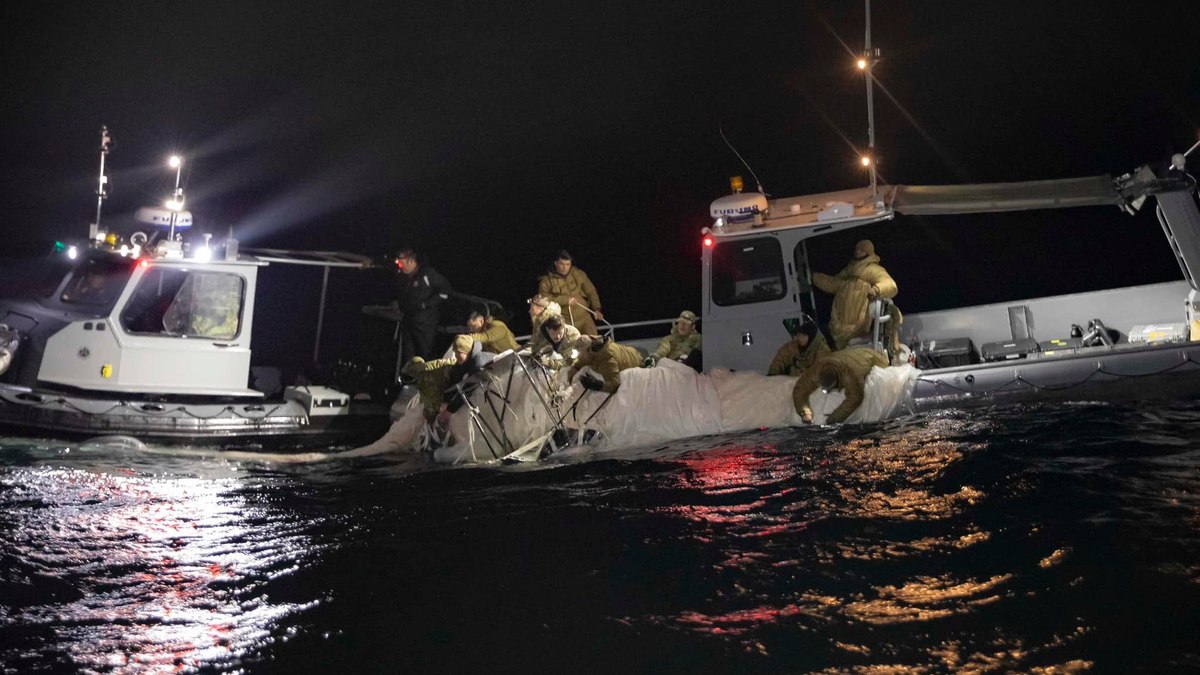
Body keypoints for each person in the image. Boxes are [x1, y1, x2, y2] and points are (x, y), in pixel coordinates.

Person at [812, 240, 897, 349]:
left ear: (868, 253)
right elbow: (833, 284)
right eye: (857, 249)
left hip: (857, 327)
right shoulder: (849, 270)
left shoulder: (873, 270)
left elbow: (891, 285)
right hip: (838, 325)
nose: (857, 251)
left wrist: (876, 289)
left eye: (861, 250)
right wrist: (814, 277)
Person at [791, 347, 889, 424]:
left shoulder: (850, 374)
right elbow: (800, 390)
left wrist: (832, 420)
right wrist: (805, 412)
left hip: (872, 357)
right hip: (846, 356)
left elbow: (855, 398)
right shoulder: (817, 369)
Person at [395, 247, 452, 361]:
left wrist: (426, 304)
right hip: (409, 320)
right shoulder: (405, 276)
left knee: (424, 354)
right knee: (408, 355)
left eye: (401, 264)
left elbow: (446, 290)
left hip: (424, 324)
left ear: (410, 261)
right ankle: (408, 377)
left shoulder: (427, 274)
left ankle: (425, 377)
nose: (399, 267)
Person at [537, 250, 603, 337]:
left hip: (584, 318)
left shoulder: (579, 274)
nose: (565, 267)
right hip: (565, 321)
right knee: (570, 347)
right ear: (556, 263)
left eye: (568, 264)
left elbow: (591, 291)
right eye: (562, 264)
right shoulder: (546, 281)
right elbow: (543, 301)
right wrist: (565, 300)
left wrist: (597, 309)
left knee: (594, 343)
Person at [569, 335, 641, 393]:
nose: (579, 357)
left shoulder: (606, 360)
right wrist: (576, 367)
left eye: (580, 353)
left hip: (636, 362)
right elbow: (585, 358)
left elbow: (615, 384)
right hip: (628, 352)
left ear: (590, 350)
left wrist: (595, 385)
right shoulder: (593, 343)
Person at [767, 314, 831, 377]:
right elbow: (780, 360)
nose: (799, 338)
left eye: (803, 335)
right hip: (791, 383)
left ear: (811, 337)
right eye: (799, 335)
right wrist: (772, 375)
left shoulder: (823, 351)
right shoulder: (793, 346)